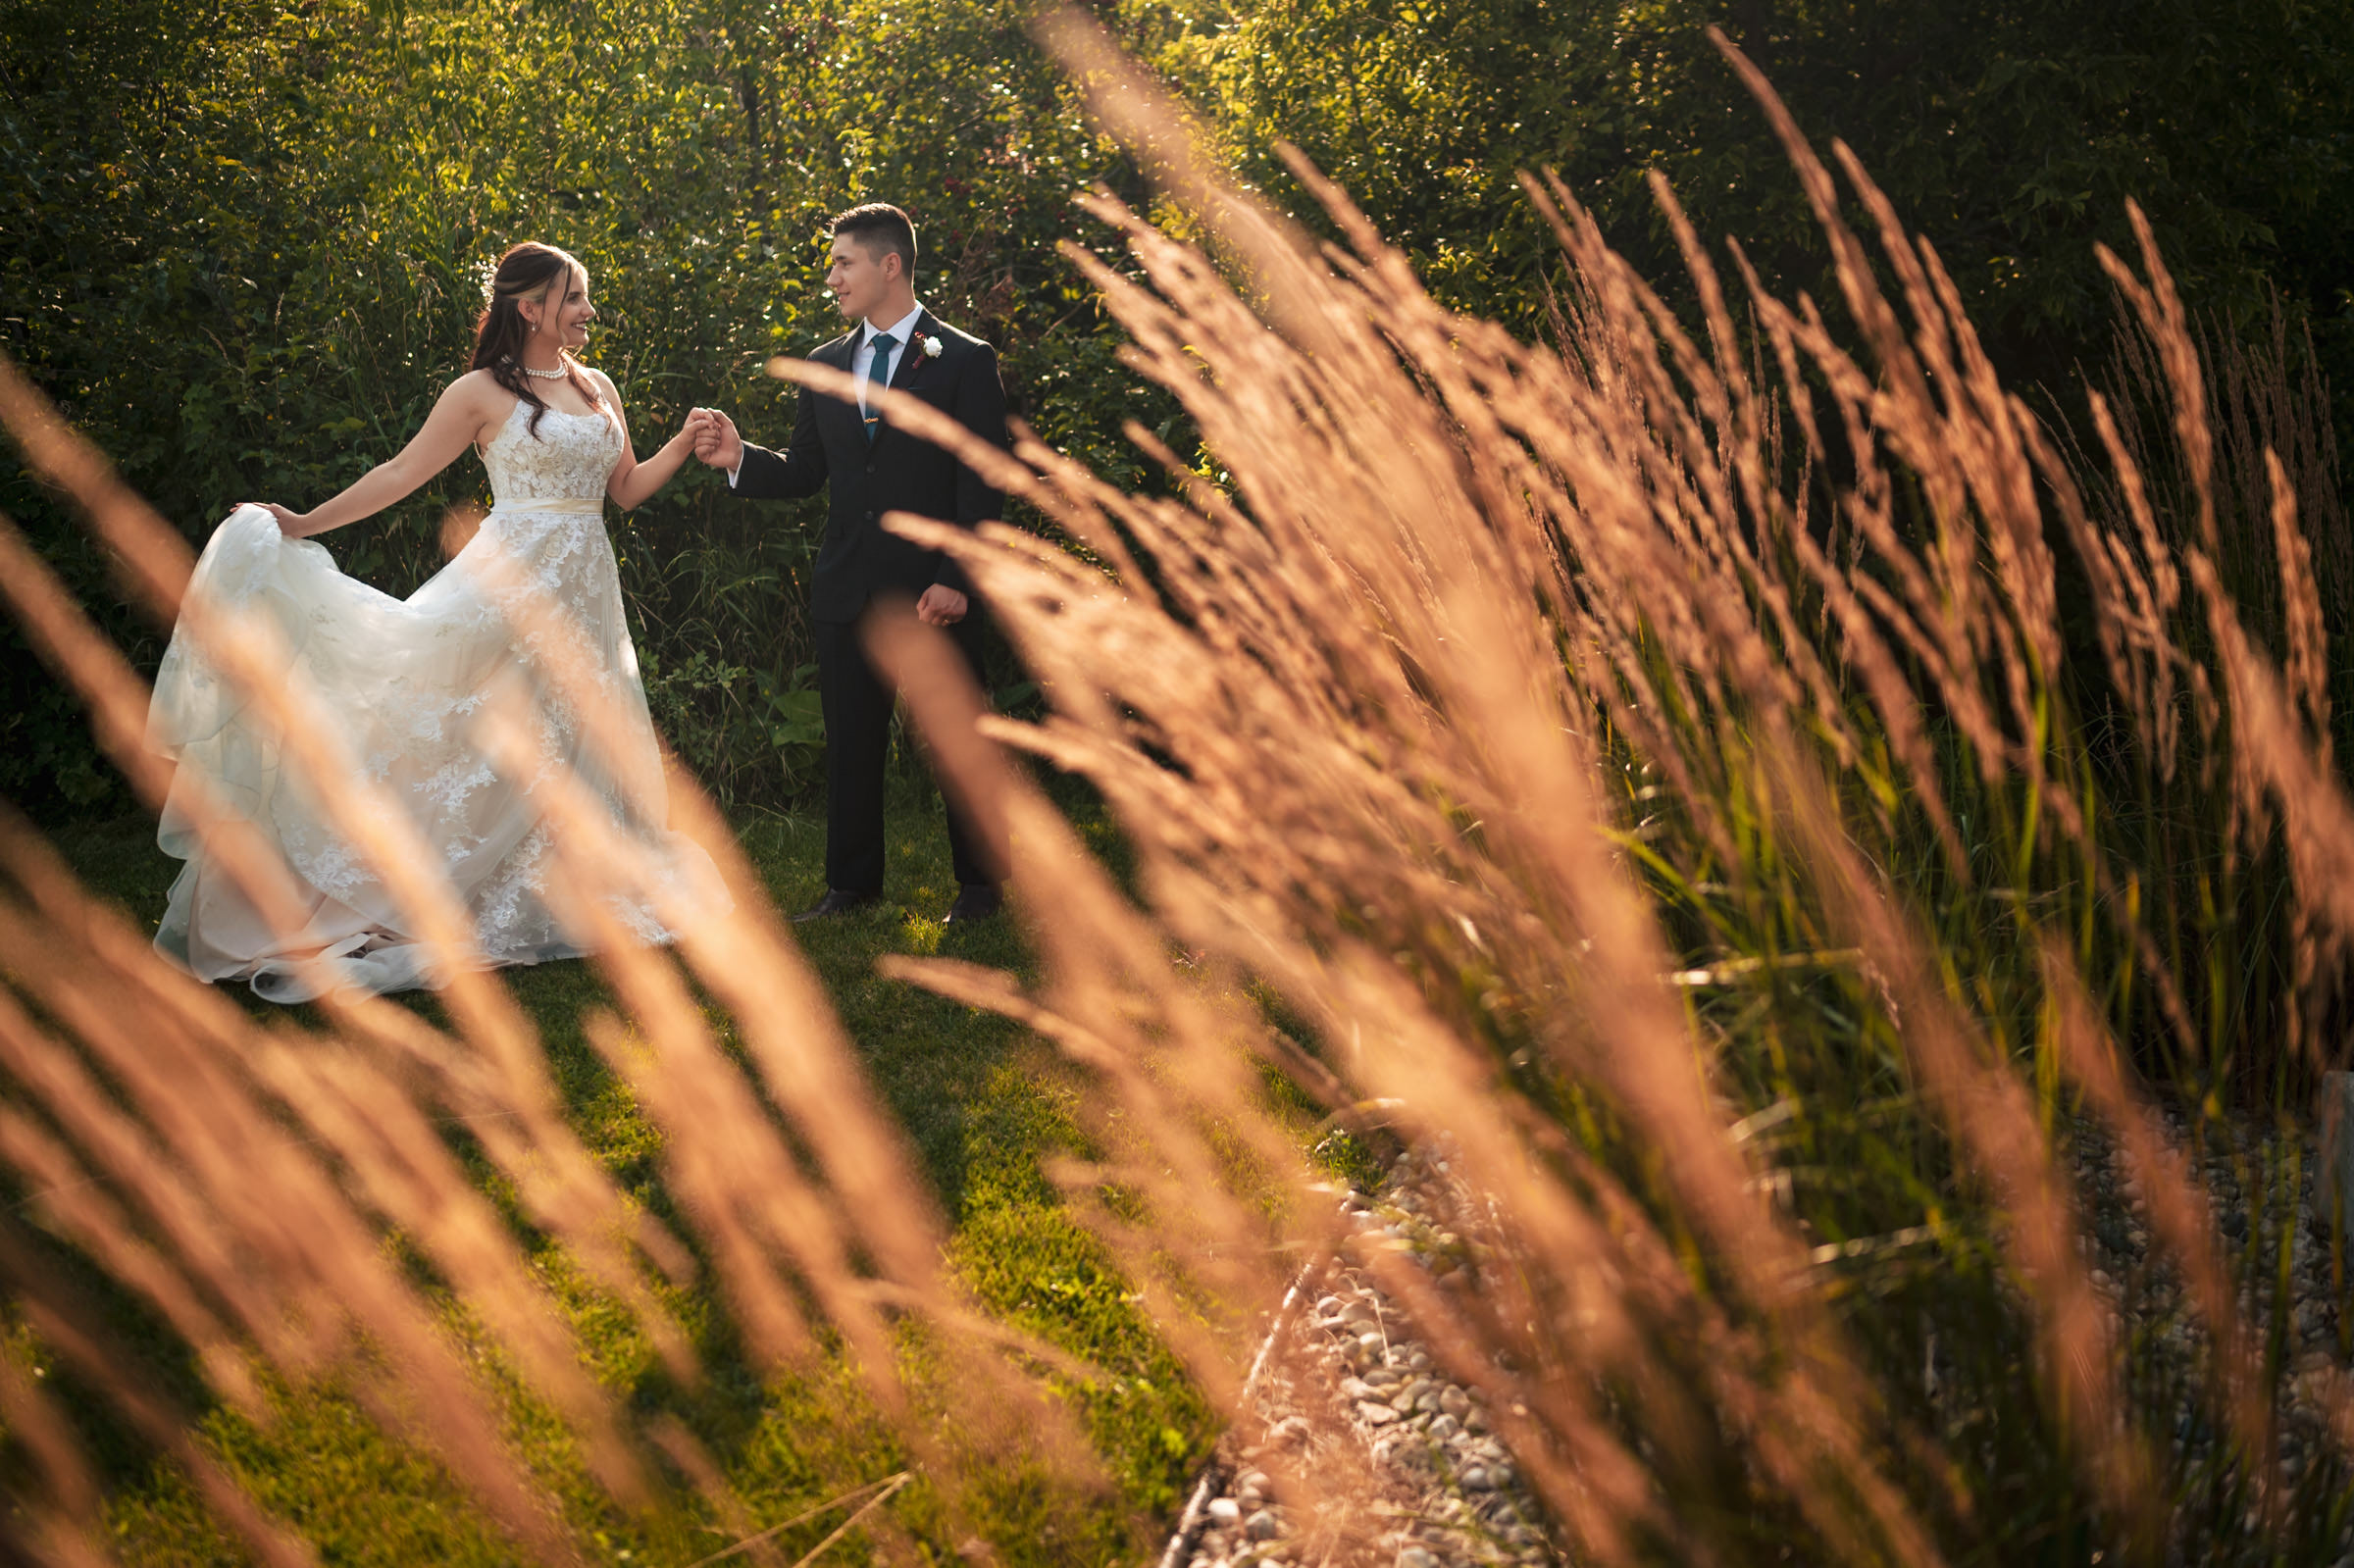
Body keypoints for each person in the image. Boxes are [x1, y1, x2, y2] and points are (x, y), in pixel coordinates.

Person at [148, 240, 723, 1002]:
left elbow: (623, 490)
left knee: (569, 732)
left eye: (585, 295)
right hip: (509, 586)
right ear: (530, 308)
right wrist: (306, 521)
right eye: (574, 296)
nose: (588, 310)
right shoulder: (479, 392)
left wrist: (682, 444)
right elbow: (400, 471)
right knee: (468, 733)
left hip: (586, 590)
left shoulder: (598, 385)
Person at [691, 202, 1012, 924]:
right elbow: (808, 468)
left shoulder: (963, 360)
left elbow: (983, 481)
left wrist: (958, 579)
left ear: (889, 264)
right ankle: (851, 885)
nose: (830, 276)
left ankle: (983, 887)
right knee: (852, 740)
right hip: (847, 586)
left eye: (843, 262)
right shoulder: (826, 364)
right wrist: (741, 457)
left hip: (933, 588)